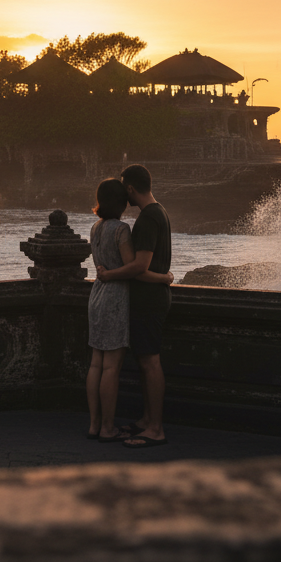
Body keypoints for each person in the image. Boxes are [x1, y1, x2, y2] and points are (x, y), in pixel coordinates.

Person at [86, 178, 174, 442]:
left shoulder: (94, 228)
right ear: (121, 201)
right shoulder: (121, 229)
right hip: (115, 297)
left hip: (96, 297)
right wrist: (164, 278)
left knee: (95, 364)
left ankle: (93, 424)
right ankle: (107, 428)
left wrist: (105, 273)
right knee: (111, 367)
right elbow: (134, 269)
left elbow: (104, 266)